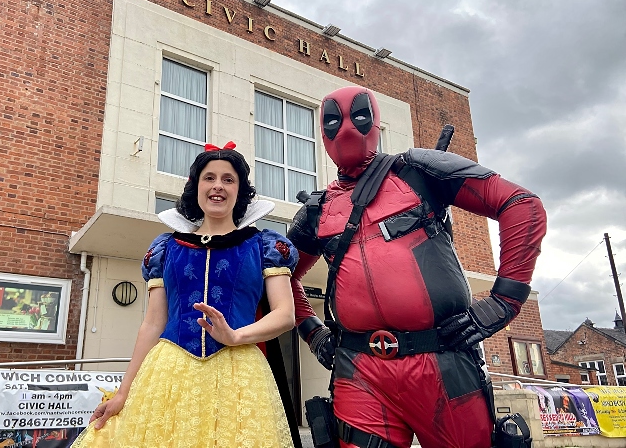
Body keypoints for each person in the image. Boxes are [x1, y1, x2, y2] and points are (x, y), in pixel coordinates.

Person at [288, 85, 547, 448]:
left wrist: (504, 300)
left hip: (443, 362)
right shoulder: (318, 210)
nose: (346, 127)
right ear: (322, 131)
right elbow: (282, 276)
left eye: (359, 115)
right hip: (359, 370)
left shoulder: (417, 171)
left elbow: (521, 204)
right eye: (333, 120)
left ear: (376, 122)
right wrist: (314, 333)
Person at [71, 142, 299, 448]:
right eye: (210, 177)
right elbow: (152, 324)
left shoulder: (264, 246)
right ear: (196, 187)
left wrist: (235, 336)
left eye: (228, 179)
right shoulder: (166, 248)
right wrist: (123, 392)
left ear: (240, 190)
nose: (218, 186)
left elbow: (285, 315)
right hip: (169, 374)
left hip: (238, 375)